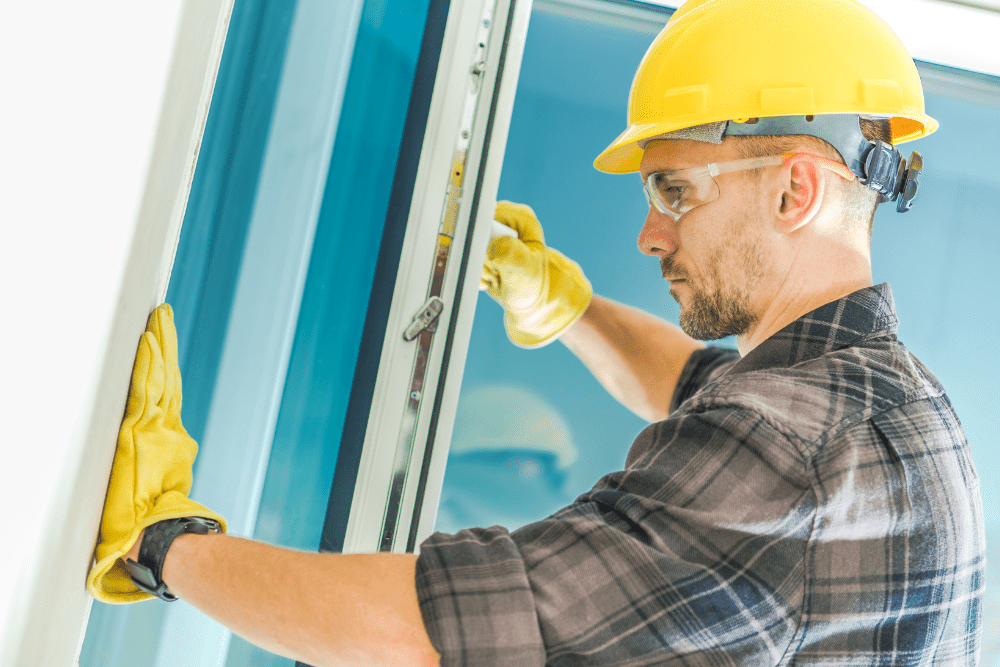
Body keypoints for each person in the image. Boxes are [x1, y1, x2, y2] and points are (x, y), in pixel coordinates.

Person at [87, 0, 985, 665]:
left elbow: (427, 632)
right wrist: (564, 305)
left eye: (674, 190)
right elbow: (697, 383)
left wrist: (164, 543)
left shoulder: (782, 448)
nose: (649, 233)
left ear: (794, 191)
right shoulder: (895, 402)